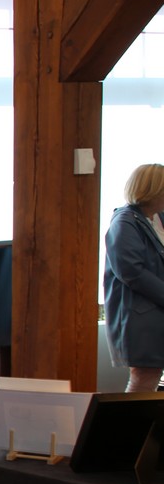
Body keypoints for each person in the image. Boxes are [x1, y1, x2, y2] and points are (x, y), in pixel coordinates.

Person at [103, 163, 164, 393]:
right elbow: (131, 271)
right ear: (153, 191)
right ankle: (130, 419)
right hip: (141, 315)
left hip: (155, 311)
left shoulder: (156, 218)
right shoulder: (125, 222)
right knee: (145, 378)